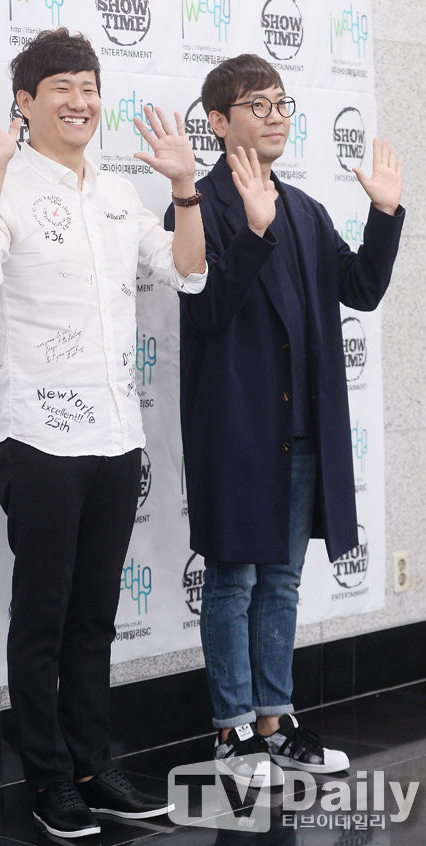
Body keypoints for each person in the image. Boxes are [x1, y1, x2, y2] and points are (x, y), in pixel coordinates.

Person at [0, 27, 208, 840]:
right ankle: (48, 780)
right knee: (44, 618)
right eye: (61, 87)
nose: (80, 101)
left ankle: (95, 768)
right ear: (25, 104)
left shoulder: (116, 192)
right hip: (37, 438)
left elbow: (189, 271)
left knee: (95, 617)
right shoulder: (7, 182)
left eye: (89, 87)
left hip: (115, 435)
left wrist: (186, 190)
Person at [165, 54, 404, 784]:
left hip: (302, 432)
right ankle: (232, 732)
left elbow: (361, 288)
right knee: (232, 580)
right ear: (217, 121)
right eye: (257, 104)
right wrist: (253, 231)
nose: (275, 116)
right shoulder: (197, 204)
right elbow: (208, 307)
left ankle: (275, 720)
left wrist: (385, 216)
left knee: (282, 581)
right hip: (235, 430)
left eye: (281, 103)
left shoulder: (305, 207)